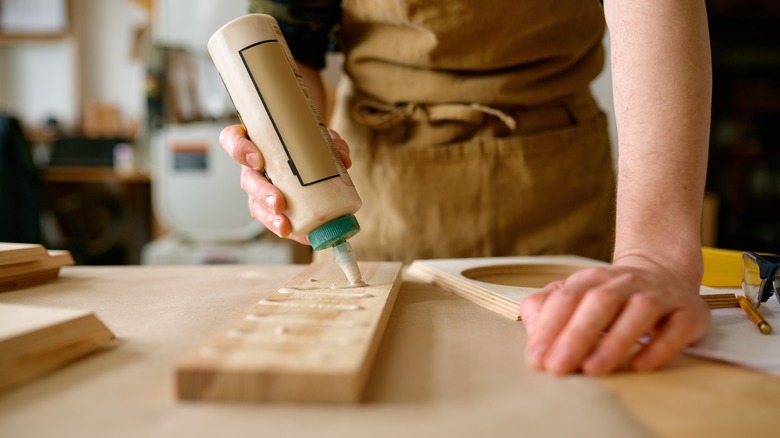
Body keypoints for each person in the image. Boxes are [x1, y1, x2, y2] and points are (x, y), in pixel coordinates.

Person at [219, 0, 713, 376]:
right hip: (385, 173)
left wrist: (655, 258)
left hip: (553, 169)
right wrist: (284, 149)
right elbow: (289, 48)